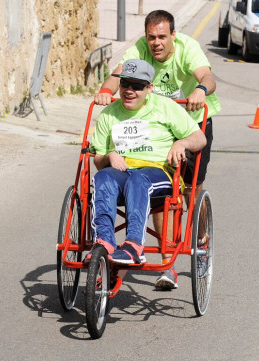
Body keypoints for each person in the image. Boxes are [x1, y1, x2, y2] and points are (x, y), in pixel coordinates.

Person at [94, 10, 220, 289]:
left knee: (189, 189)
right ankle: (167, 263)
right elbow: (118, 76)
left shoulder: (188, 48)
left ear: (173, 35)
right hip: (146, 121)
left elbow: (207, 77)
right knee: (159, 195)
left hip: (190, 117)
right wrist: (106, 90)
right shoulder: (139, 51)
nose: (156, 42)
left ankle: (200, 240)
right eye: (151, 37)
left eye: (162, 36)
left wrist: (200, 89)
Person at [87, 59, 206, 269]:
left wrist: (181, 142)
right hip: (121, 172)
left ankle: (134, 246)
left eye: (138, 86)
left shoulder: (166, 107)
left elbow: (200, 139)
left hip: (158, 172)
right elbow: (98, 160)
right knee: (102, 177)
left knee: (138, 179)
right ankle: (103, 242)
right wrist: (108, 157)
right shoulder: (109, 114)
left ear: (149, 88)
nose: (129, 91)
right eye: (125, 84)